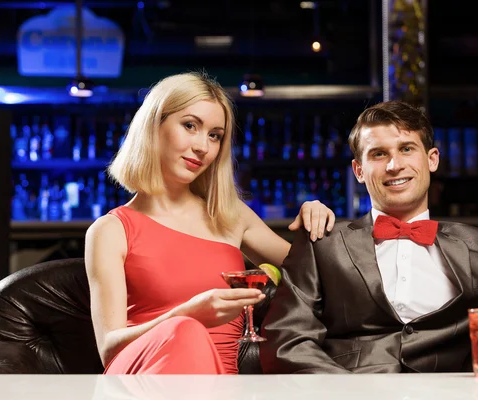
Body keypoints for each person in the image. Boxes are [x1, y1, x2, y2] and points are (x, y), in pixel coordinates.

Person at [260, 100, 478, 374]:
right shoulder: (322, 241)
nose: (394, 165)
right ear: (359, 170)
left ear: (431, 160)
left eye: (407, 149)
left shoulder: (477, 244)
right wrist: (348, 392)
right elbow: (287, 339)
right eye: (378, 154)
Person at [84, 72, 335, 375]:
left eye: (215, 135)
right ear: (153, 125)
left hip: (219, 385)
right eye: (190, 126)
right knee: (185, 332)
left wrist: (315, 219)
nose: (203, 146)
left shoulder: (229, 215)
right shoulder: (110, 231)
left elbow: (317, 273)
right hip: (144, 383)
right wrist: (187, 316)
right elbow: (109, 349)